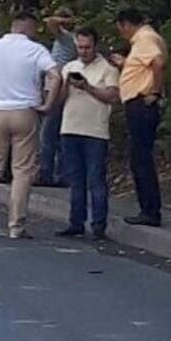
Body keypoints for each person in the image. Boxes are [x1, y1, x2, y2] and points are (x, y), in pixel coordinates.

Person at [0, 11, 62, 239]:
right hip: (25, 112)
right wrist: (48, 104)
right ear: (28, 28)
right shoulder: (36, 50)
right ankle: (16, 226)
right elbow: (56, 75)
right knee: (22, 170)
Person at [56, 27, 120, 240]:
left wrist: (87, 87)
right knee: (75, 179)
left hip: (95, 131)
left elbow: (112, 96)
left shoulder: (107, 69)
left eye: (87, 47)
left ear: (95, 46)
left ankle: (99, 224)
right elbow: (59, 100)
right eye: (80, 47)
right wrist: (65, 83)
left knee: (95, 179)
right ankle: (76, 222)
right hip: (70, 128)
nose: (83, 51)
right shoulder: (70, 67)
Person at [110, 8, 168, 227]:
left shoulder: (145, 38)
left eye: (121, 28)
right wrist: (126, 65)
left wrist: (154, 91)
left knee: (141, 157)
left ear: (126, 24)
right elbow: (146, 66)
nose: (122, 33)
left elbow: (158, 62)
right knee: (139, 156)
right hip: (138, 102)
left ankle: (150, 210)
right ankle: (148, 208)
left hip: (141, 102)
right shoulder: (145, 40)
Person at [37, 6, 79, 187]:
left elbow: (51, 23)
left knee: (48, 134)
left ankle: (46, 173)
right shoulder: (70, 39)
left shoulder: (67, 38)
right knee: (61, 133)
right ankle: (62, 174)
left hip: (57, 88)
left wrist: (65, 20)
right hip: (58, 87)